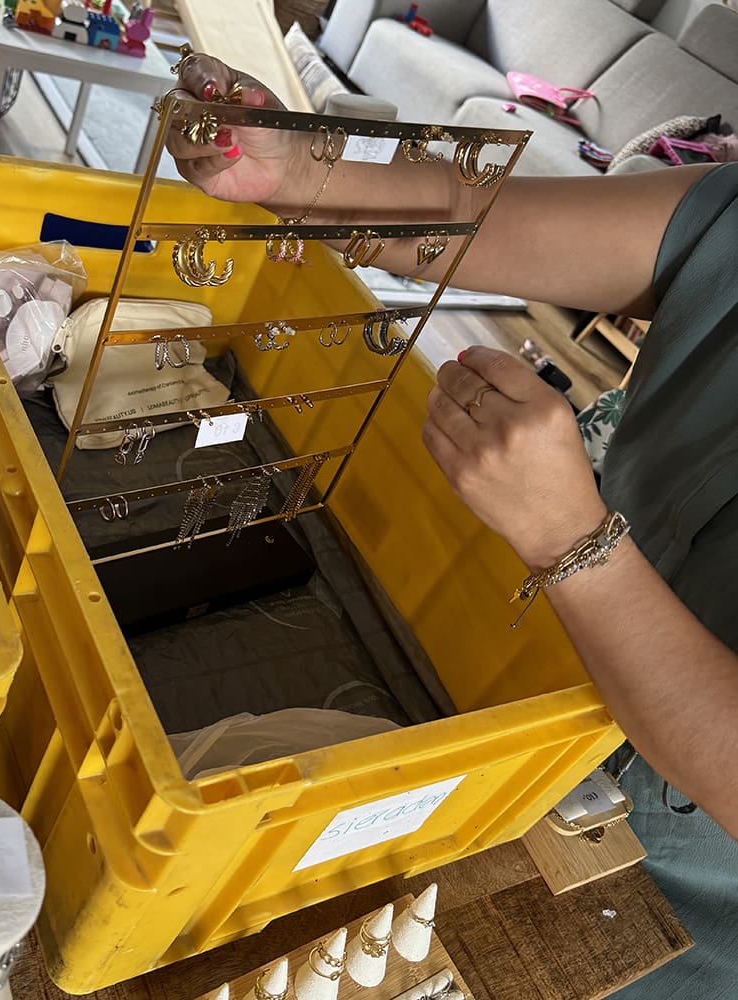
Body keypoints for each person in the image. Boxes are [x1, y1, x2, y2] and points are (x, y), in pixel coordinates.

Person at [163, 54, 738, 995]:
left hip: (656, 901)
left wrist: (573, 542)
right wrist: (298, 173)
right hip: (534, 669)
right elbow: (479, 219)